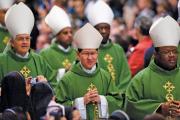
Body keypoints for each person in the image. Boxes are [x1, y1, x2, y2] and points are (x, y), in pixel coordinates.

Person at [55, 23, 123, 120]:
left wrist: (102, 100)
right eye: (86, 53)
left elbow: (118, 100)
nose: (90, 58)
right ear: (78, 55)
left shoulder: (105, 76)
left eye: (93, 53)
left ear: (98, 53)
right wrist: (81, 102)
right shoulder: (67, 79)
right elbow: (58, 107)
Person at [125, 15, 180, 120]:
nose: (172, 55)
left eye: (174, 51)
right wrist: (159, 108)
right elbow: (129, 107)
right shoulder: (140, 79)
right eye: (166, 52)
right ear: (156, 54)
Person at [0, 2, 57, 88]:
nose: (25, 42)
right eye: (20, 39)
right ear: (12, 42)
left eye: (27, 38)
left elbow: (54, 85)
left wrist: (46, 85)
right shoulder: (2, 61)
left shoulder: (39, 60)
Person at [86, 0, 131, 95]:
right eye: (100, 28)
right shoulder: (88, 51)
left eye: (106, 28)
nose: (103, 31)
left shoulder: (118, 49)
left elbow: (126, 77)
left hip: (119, 98)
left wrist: (117, 95)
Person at [40, 5, 76, 79]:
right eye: (65, 33)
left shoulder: (77, 52)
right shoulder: (45, 54)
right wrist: (65, 71)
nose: (69, 35)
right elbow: (43, 76)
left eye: (71, 32)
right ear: (57, 35)